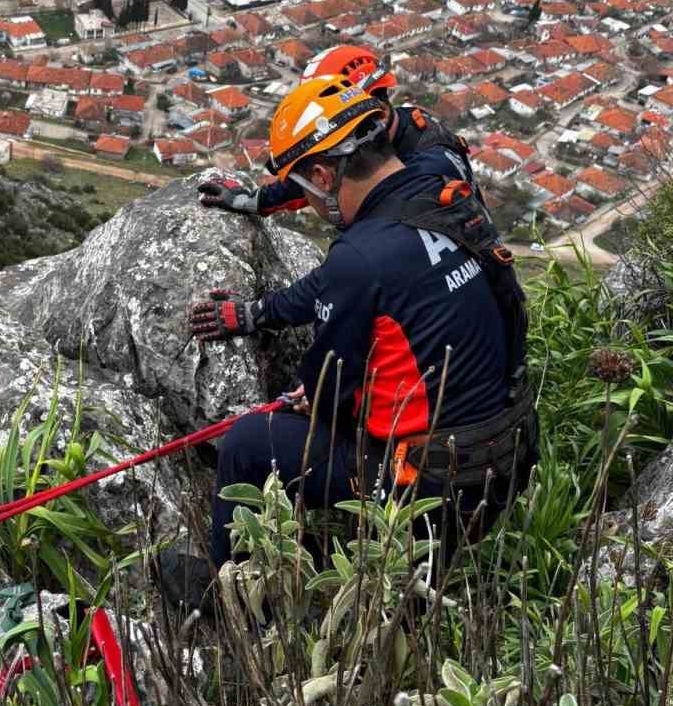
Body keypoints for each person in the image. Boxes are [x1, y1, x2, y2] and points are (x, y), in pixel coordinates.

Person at [160, 76, 536, 612]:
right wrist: (255, 316)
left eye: (306, 189)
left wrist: (310, 393)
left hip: (429, 487)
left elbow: (329, 389)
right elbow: (351, 295)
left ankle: (228, 599)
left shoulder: (361, 256)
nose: (310, 202)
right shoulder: (440, 192)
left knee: (247, 443)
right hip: (504, 454)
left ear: (323, 173)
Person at [197, 44, 474, 219]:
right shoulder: (383, 135)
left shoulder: (428, 169)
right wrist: (253, 200)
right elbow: (315, 175)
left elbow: (368, 263)